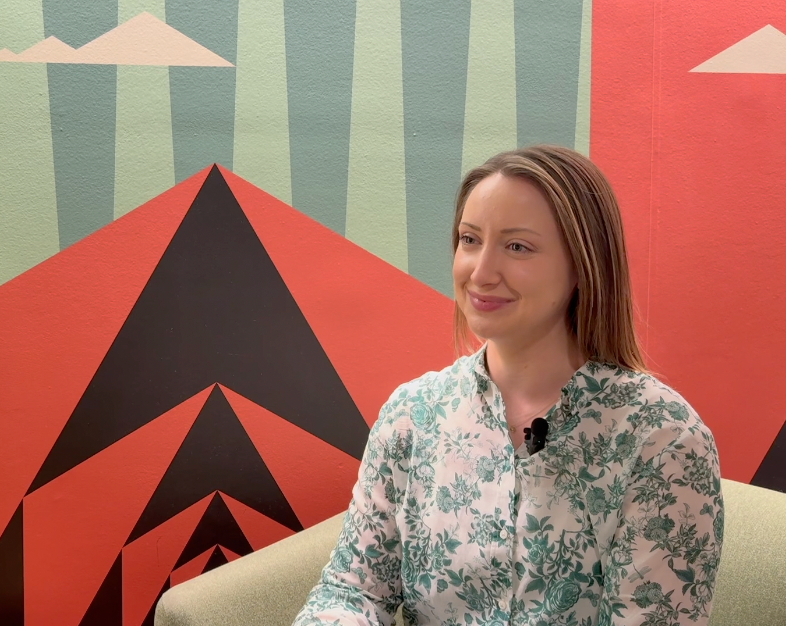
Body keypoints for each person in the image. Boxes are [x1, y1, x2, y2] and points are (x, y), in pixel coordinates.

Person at [292, 145, 723, 626]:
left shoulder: (662, 438)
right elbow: (352, 591)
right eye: (470, 239)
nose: (480, 272)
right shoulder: (412, 415)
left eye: (517, 247)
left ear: (584, 265)